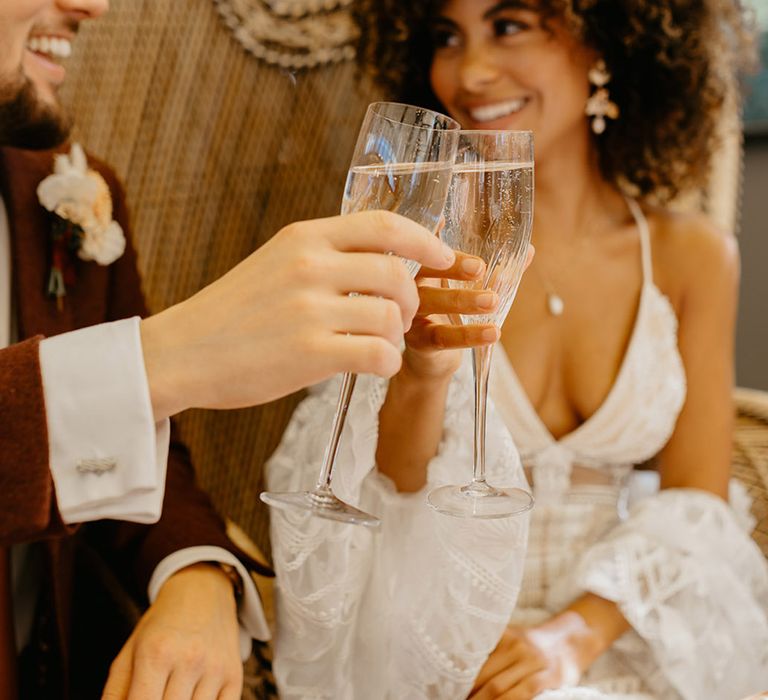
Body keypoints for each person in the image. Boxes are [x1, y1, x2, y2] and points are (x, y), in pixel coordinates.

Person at [266, 0, 768, 698]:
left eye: (508, 26)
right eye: (447, 36)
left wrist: (572, 637)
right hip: (438, 628)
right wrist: (422, 370)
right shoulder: (410, 241)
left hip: (610, 638)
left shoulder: (692, 259)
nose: (469, 73)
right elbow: (384, 491)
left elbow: (697, 500)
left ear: (606, 42)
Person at [0, 0, 460, 697]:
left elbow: (129, 447)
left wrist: (197, 573)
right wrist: (168, 357)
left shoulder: (68, 187)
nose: (90, 5)